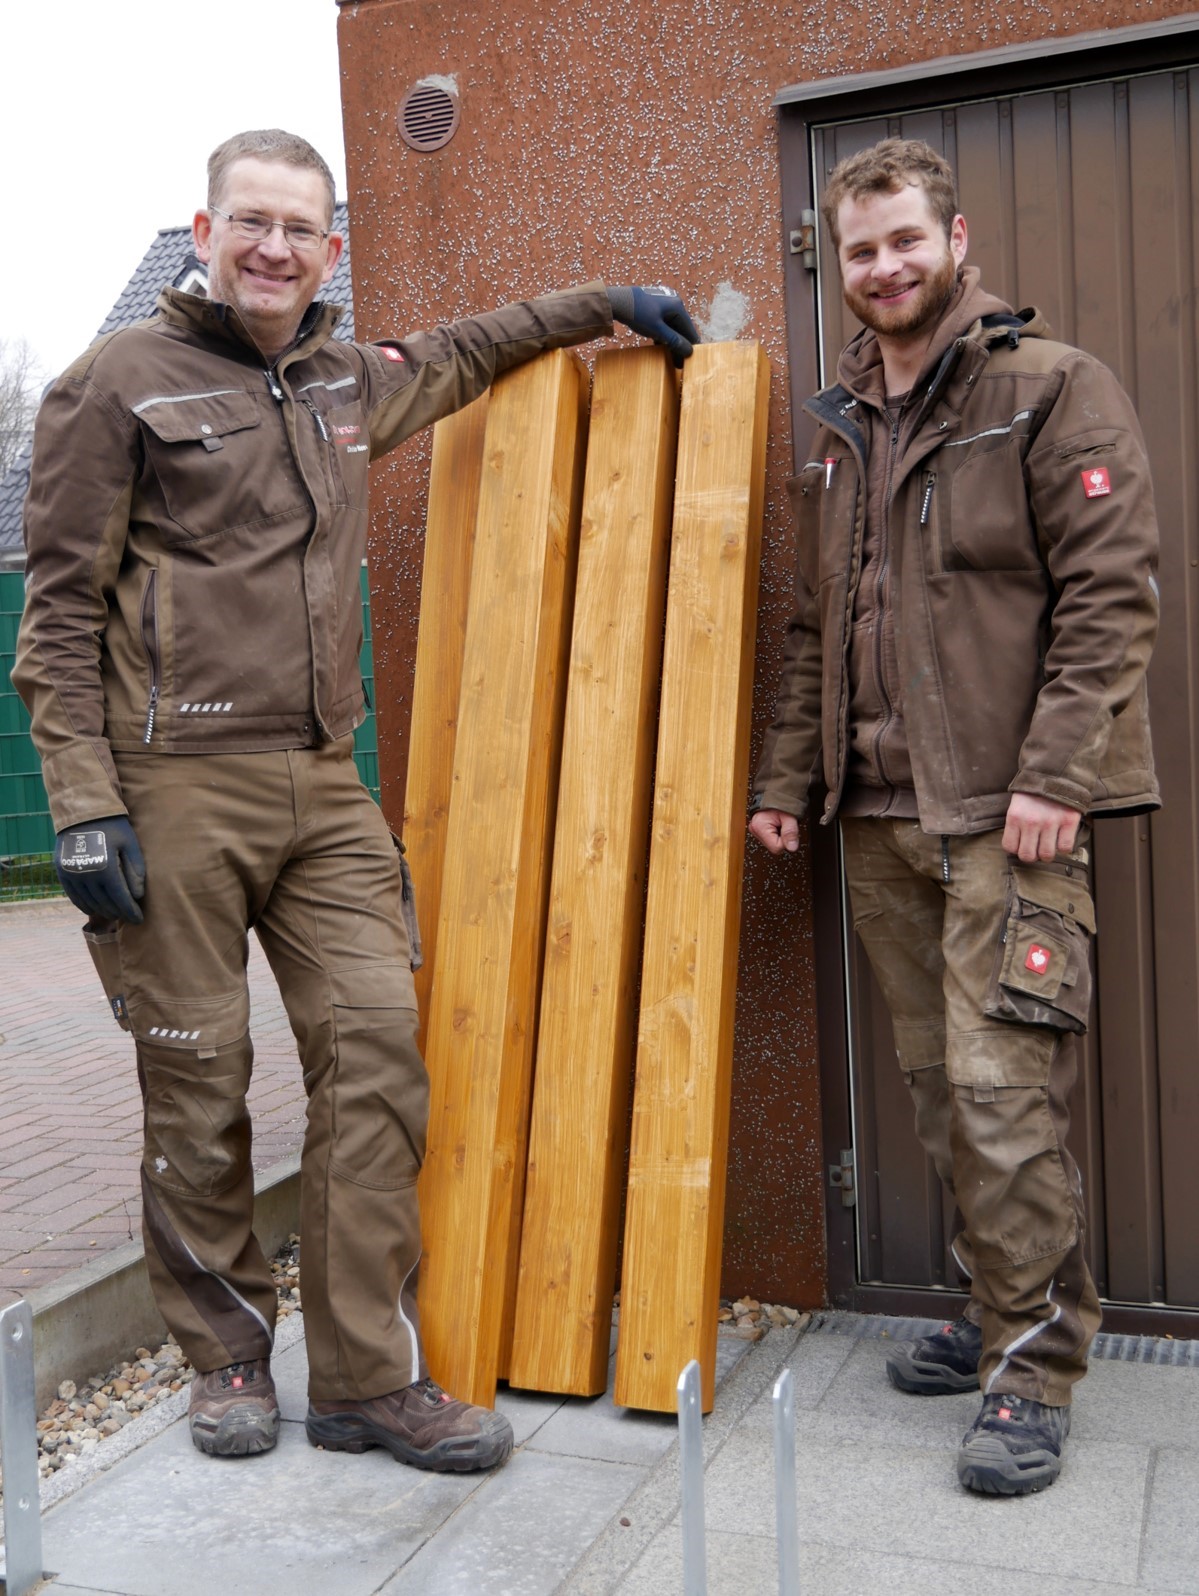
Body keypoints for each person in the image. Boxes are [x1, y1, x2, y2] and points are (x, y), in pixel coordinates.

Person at [14, 128, 700, 1469]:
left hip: (325, 787)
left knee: (378, 1056)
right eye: (249, 222)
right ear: (203, 231)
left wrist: (605, 305)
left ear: (333, 246)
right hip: (173, 787)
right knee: (198, 1082)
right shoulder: (114, 386)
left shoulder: (341, 378)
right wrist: (84, 806)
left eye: (301, 228)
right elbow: (53, 619)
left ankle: (361, 1378)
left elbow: (462, 349)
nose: (274, 248)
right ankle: (224, 1356)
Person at [749, 138, 1159, 1496]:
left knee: (1002, 1095)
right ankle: (999, 1308)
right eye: (860, 251)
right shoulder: (839, 431)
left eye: (903, 241)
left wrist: (1056, 774)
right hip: (874, 814)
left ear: (955, 237)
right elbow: (814, 625)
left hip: (1004, 814)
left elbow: (1111, 594)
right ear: (840, 266)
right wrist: (778, 785)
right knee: (940, 1091)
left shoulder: (1052, 392)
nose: (883, 269)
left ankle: (1034, 1372)